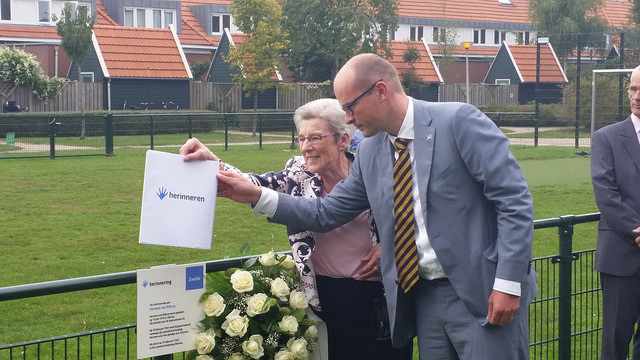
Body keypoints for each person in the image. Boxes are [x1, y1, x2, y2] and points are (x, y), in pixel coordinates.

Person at [208, 53, 538, 360]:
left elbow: (514, 202)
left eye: (350, 107)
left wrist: (508, 283)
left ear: (380, 90)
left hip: (483, 293)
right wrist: (254, 195)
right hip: (423, 299)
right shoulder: (370, 152)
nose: (347, 119)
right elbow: (326, 213)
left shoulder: (458, 121)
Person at [180, 98, 412, 360]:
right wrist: (213, 162)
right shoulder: (297, 174)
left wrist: (393, 242)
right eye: (301, 138)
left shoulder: (373, 171)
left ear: (343, 141)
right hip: (322, 297)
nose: (306, 147)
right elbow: (253, 183)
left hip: (375, 300)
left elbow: (415, 214)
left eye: (315, 138)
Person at [590, 64, 640, 360]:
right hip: (621, 255)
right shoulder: (606, 138)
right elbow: (606, 195)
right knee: (615, 341)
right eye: (633, 89)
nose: (637, 96)